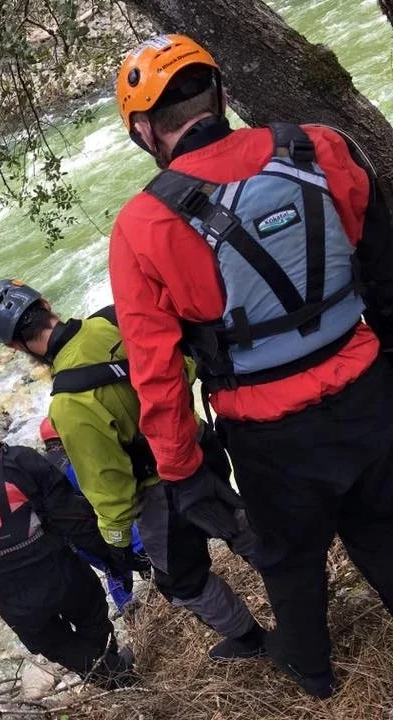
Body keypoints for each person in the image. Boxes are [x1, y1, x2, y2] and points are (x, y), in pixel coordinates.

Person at [108, 34, 393, 698]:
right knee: (384, 525)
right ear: (221, 93)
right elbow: (383, 269)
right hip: (368, 392)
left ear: (145, 131)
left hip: (270, 436)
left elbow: (158, 377)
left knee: (289, 561)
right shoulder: (322, 147)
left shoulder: (142, 227)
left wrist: (184, 475)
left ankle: (311, 673)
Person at [0, 279, 265, 663]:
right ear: (45, 302)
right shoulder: (116, 320)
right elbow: (185, 366)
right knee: (240, 526)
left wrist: (116, 543)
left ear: (14, 346)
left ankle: (251, 639)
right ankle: (298, 590)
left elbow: (109, 486)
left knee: (182, 581)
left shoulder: (69, 404)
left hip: (162, 491)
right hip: (200, 447)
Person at [0, 389, 137, 688]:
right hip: (59, 571)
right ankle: (115, 671)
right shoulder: (22, 459)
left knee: (53, 642)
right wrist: (111, 556)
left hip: (11, 593)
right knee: (92, 615)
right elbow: (74, 518)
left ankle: (110, 675)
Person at [39, 417, 145, 615]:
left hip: (71, 541)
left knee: (113, 567)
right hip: (94, 528)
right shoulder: (73, 465)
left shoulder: (40, 469)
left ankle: (129, 611)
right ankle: (156, 586)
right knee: (137, 549)